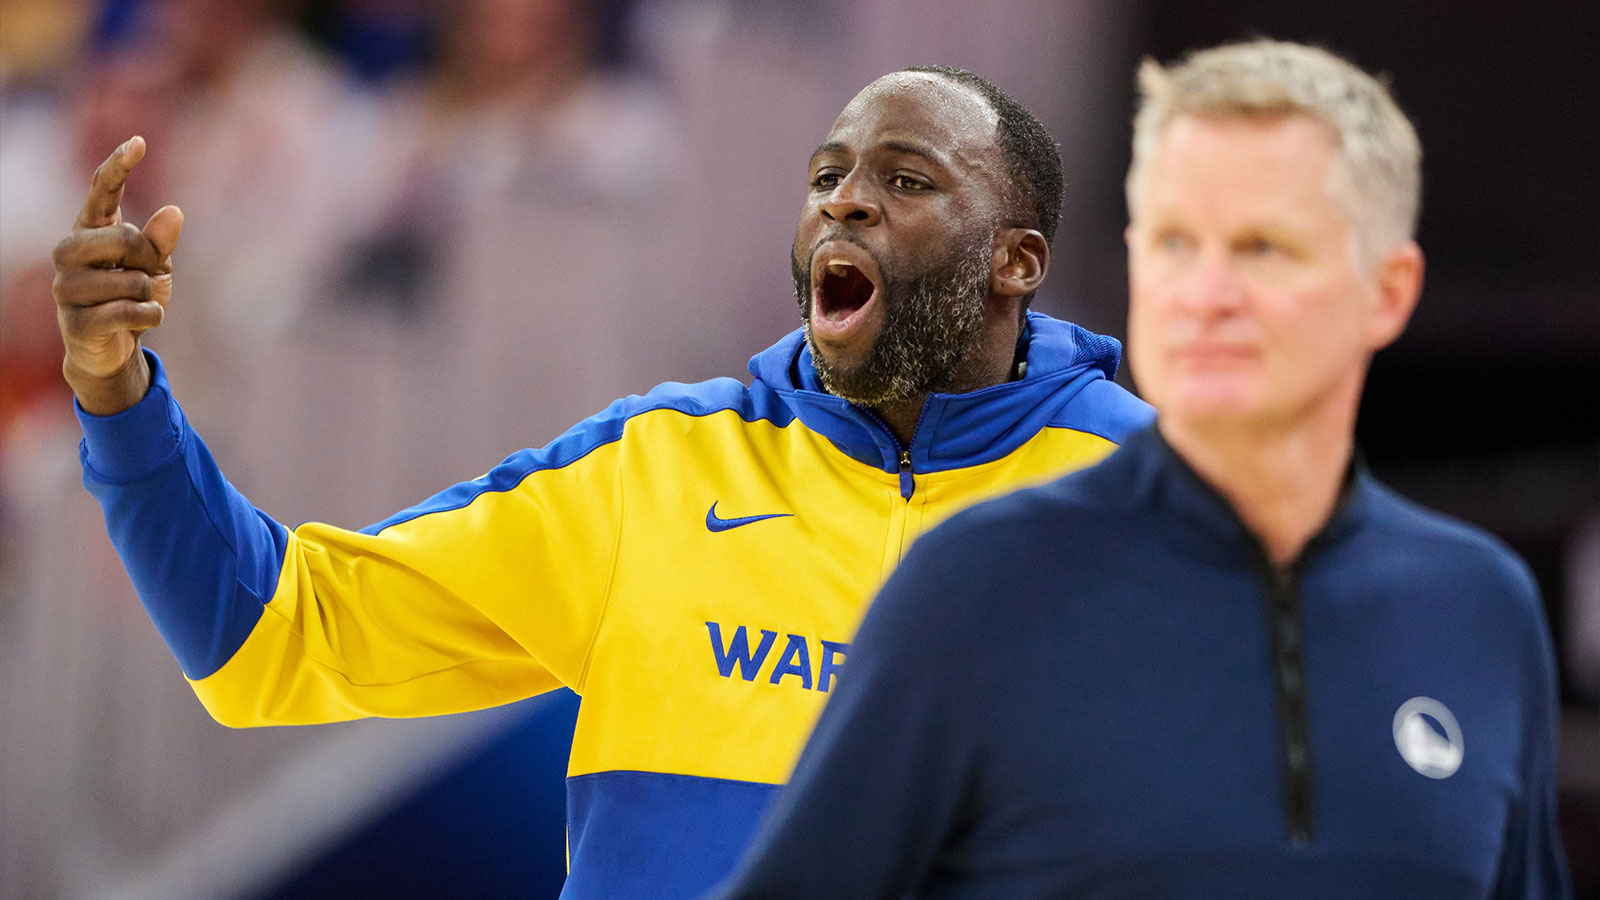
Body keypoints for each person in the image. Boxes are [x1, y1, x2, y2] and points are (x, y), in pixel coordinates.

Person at [49, 66, 1153, 898]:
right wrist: (119, 397)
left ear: (1016, 258)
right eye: (827, 177)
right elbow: (273, 637)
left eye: (904, 181)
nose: (844, 204)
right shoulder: (656, 471)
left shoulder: (1161, 503)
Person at [711, 41, 1571, 900]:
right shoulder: (973, 592)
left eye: (1263, 248)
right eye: (1173, 242)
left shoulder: (1482, 611)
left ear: (1388, 290)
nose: (1206, 293)